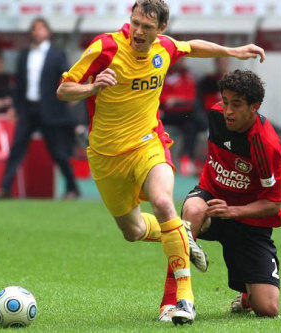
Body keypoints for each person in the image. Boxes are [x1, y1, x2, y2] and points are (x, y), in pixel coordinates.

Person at [57, 0, 265, 325]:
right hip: (106, 156)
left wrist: (235, 51)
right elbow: (64, 90)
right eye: (135, 22)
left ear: (161, 30)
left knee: (164, 202)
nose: (138, 31)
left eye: (147, 27)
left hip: (147, 143)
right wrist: (91, 87)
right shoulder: (106, 47)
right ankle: (181, 233)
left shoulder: (164, 49)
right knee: (133, 230)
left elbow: (192, 47)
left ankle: (185, 299)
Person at [159, 69, 281, 319]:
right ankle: (173, 301)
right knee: (192, 213)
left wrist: (234, 211)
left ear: (254, 106)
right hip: (211, 200)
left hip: (249, 222)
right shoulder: (215, 115)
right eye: (225, 102)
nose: (227, 111)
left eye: (236, 105)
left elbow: (273, 203)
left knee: (267, 309)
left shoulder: (265, 144)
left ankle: (248, 292)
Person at [0, 18, 80, 199]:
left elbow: (66, 77)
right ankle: (4, 188)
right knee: (17, 148)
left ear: (48, 32)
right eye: (34, 28)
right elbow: (18, 84)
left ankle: (72, 188)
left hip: (50, 110)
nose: (37, 31)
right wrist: (15, 107)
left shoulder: (57, 54)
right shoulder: (24, 55)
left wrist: (71, 94)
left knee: (58, 151)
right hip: (28, 109)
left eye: (41, 28)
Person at [159, 58, 207, 175]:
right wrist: (171, 100)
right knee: (195, 118)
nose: (180, 62)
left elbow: (190, 97)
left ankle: (186, 159)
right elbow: (161, 97)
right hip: (166, 113)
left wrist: (177, 100)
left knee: (191, 125)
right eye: (178, 59)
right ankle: (206, 127)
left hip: (183, 113)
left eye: (182, 60)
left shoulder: (188, 76)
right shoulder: (163, 74)